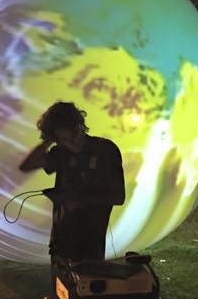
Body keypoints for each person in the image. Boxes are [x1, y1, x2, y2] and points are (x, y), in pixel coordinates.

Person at [18, 101, 125, 264]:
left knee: (86, 284)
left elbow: (118, 197)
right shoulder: (61, 152)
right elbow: (27, 166)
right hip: (60, 243)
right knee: (61, 285)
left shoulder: (105, 150)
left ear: (80, 127)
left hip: (90, 243)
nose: (70, 144)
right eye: (62, 140)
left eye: (72, 136)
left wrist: (74, 198)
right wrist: (47, 142)